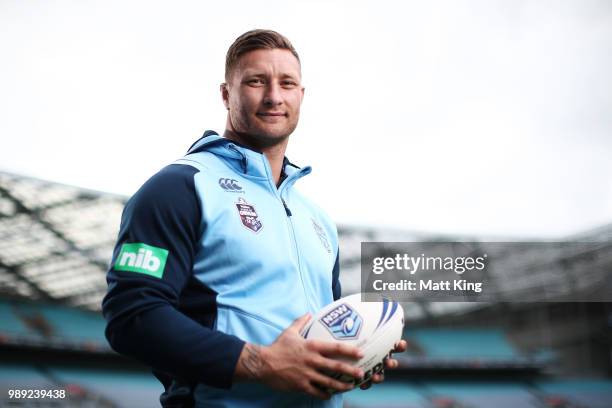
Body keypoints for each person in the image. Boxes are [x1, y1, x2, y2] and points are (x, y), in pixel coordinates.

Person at [102, 29, 406, 407]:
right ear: (226, 94)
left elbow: (321, 332)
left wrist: (356, 356)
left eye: (287, 83)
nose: (274, 96)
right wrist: (260, 363)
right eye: (256, 81)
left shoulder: (318, 221)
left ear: (301, 95)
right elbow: (133, 316)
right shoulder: (179, 187)